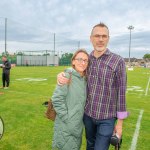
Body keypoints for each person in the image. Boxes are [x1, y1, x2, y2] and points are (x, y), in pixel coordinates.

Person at [57, 22, 128, 150]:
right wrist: (61, 75)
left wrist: (120, 124)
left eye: (104, 36)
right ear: (91, 39)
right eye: (97, 36)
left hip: (107, 118)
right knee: (90, 146)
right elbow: (75, 72)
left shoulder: (118, 61)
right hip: (88, 116)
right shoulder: (87, 60)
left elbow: (122, 94)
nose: (100, 39)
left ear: (108, 38)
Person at [51, 49, 89, 150]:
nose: (83, 63)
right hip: (66, 127)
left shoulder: (85, 79)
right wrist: (67, 119)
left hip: (77, 127)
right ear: (73, 61)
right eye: (80, 59)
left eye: (86, 60)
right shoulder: (67, 76)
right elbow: (57, 99)